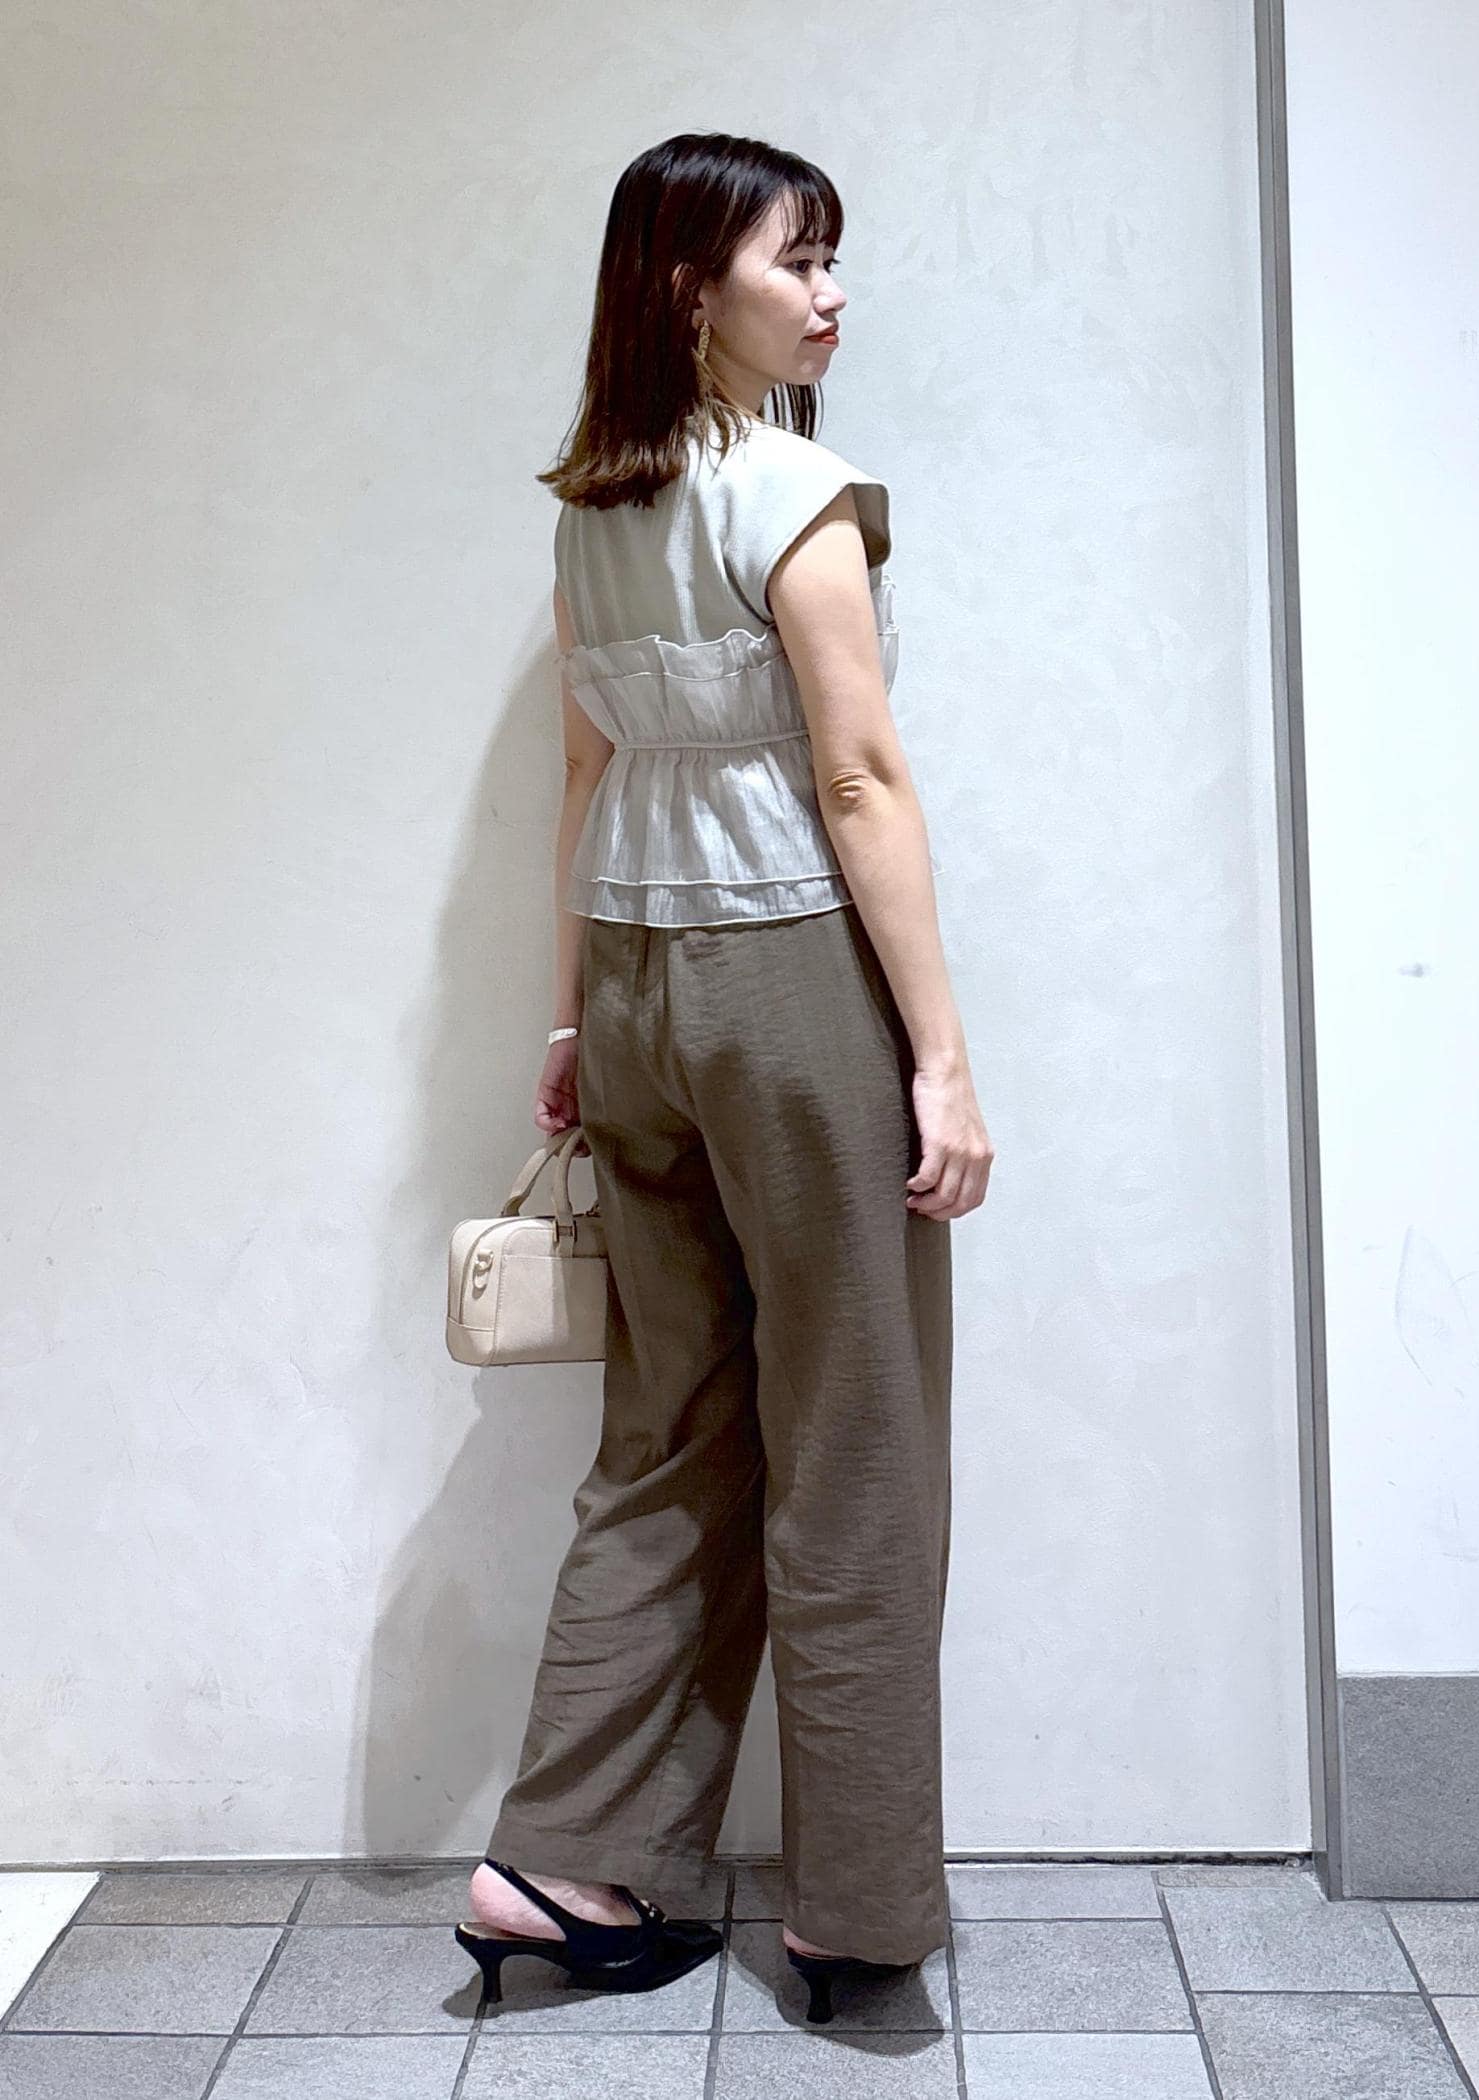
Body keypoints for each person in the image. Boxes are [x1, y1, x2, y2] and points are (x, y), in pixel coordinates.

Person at [453, 130, 993, 2023]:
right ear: (693, 287)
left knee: (668, 1429)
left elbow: (587, 773)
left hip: (633, 983)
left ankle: (569, 1858)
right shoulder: (801, 493)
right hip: (786, 981)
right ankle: (854, 1907)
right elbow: (859, 778)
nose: (832, 293)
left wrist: (566, 1024)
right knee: (857, 1434)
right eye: (797, 259)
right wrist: (942, 1061)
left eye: (832, 257)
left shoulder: (590, 507)